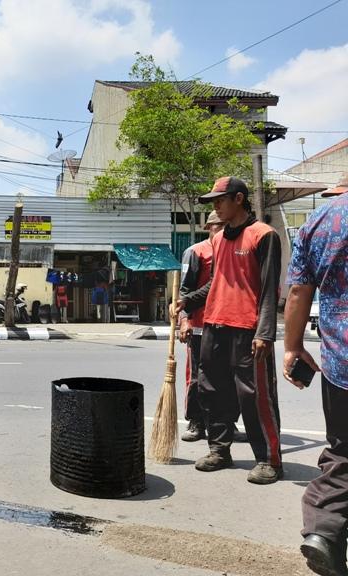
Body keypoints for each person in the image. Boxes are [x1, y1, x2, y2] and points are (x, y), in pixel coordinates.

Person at [174, 176, 282, 485]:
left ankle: (268, 459)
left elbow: (269, 290)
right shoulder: (218, 241)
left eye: (219, 200)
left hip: (247, 330)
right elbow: (214, 284)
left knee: (254, 396)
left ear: (238, 199)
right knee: (212, 391)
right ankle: (220, 450)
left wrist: (264, 333)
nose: (215, 206)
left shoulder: (264, 235)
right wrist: (186, 301)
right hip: (214, 326)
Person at [284, 176, 348, 576]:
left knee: (343, 453)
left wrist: (292, 346)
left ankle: (323, 531)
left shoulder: (320, 220)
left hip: (341, 362)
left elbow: (297, 293)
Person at [178, 210, 225, 442]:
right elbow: (185, 290)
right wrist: (184, 320)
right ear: (209, 227)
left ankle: (223, 422)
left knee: (224, 378)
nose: (223, 230)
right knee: (197, 377)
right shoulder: (196, 252)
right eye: (219, 226)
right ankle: (196, 421)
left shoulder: (230, 251)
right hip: (199, 325)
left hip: (225, 324)